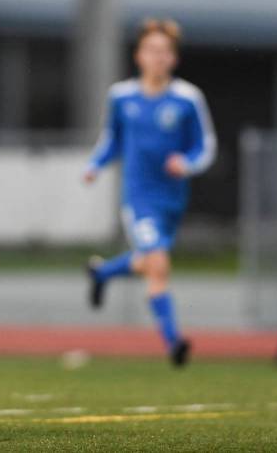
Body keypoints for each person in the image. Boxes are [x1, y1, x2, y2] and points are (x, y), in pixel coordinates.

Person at [83, 18, 216, 367]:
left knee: (149, 262)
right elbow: (111, 139)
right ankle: (174, 343)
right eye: (151, 50)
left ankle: (102, 273)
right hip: (138, 197)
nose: (157, 57)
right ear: (139, 55)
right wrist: (95, 165)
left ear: (173, 59)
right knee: (159, 264)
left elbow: (206, 146)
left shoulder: (188, 99)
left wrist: (186, 163)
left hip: (172, 198)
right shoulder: (122, 96)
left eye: (164, 51)